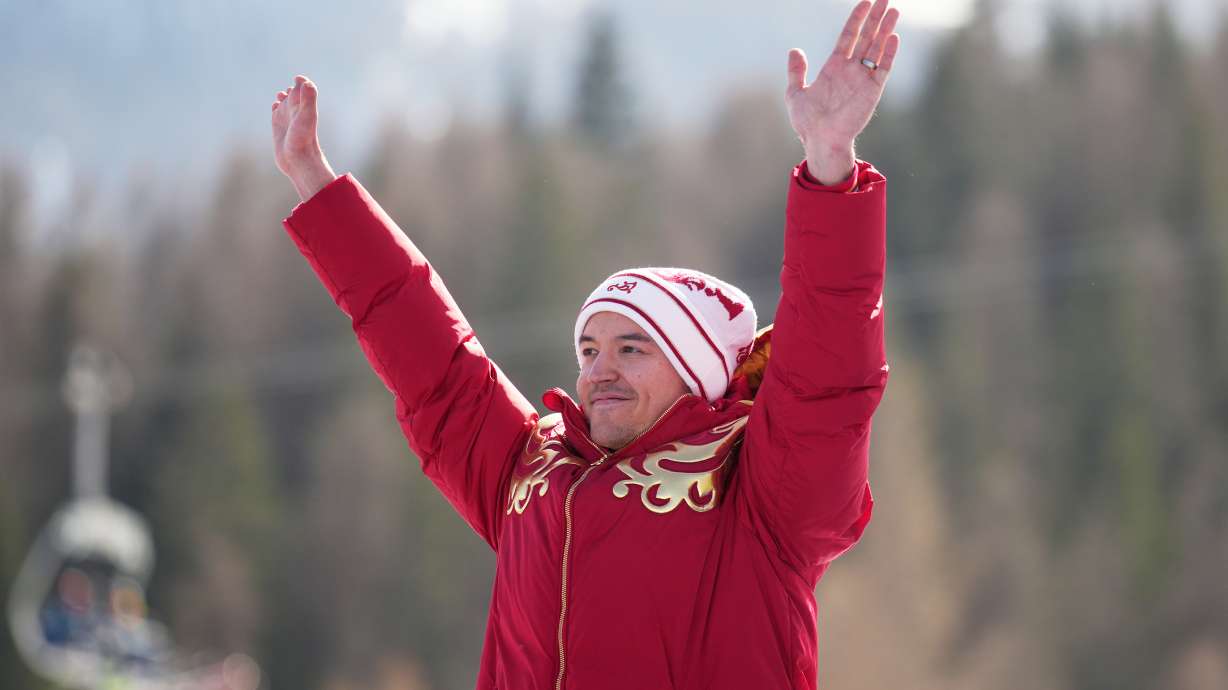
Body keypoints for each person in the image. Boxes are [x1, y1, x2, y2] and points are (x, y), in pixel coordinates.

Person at [271, 1, 899, 687]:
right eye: (590, 351)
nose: (601, 370)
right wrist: (317, 186)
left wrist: (830, 164)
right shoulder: (530, 467)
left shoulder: (759, 491)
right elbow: (431, 362)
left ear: (696, 373)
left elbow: (826, 385)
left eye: (633, 348)